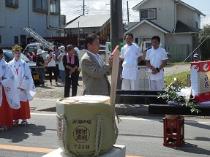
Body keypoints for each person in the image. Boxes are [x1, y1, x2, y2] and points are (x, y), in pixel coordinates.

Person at [9, 45, 36, 126]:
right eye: (16, 53)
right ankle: (15, 119)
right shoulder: (9, 64)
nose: (18, 54)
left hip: (22, 87)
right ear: (13, 53)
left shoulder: (24, 64)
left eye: (19, 53)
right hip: (14, 87)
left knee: (23, 103)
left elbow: (28, 76)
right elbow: (9, 76)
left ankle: (24, 119)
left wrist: (23, 85)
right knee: (15, 102)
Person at [0, 48, 20, 131]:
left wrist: (2, 81)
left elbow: (10, 77)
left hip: (3, 89)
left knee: (3, 107)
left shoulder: (6, 65)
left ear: (1, 55)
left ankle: (3, 123)